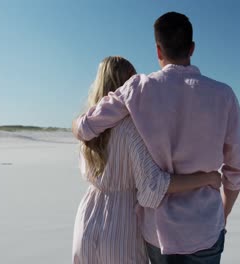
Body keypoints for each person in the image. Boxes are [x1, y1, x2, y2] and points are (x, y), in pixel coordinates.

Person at [73, 12, 240, 264]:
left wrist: (77, 124)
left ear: (158, 50)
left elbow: (86, 127)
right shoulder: (225, 96)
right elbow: (236, 170)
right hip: (206, 227)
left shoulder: (137, 88)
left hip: (159, 231)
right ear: (192, 48)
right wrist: (223, 212)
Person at [72, 56, 223, 264]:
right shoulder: (132, 129)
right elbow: (152, 187)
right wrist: (207, 177)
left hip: (87, 220)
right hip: (121, 226)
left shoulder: (87, 128)